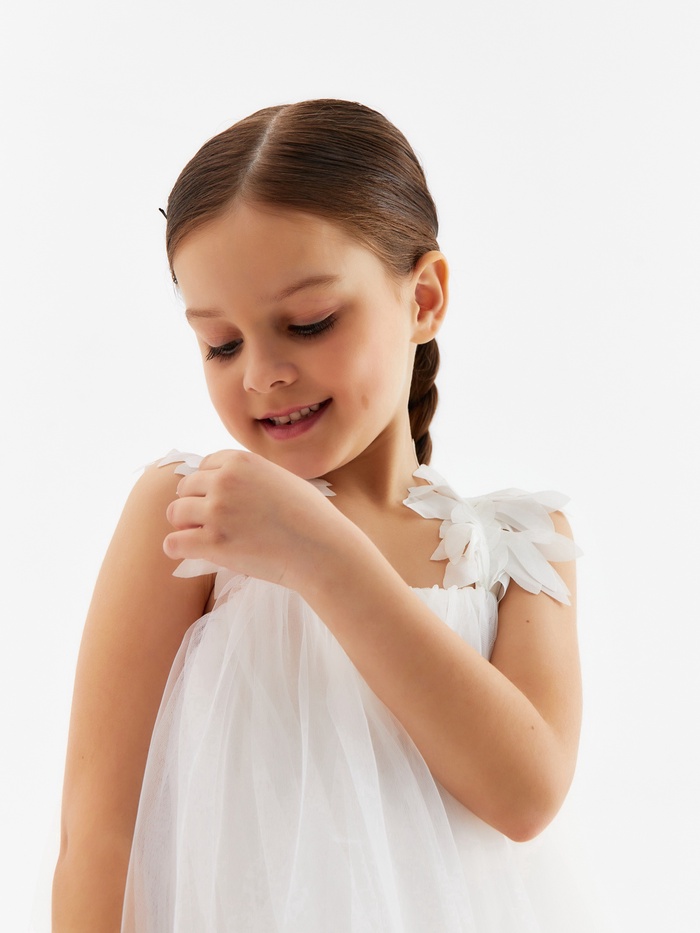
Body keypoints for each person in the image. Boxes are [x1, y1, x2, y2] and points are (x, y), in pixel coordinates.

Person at [52, 99, 583, 932]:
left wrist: (320, 554)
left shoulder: (516, 546)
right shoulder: (188, 509)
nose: (261, 374)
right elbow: (99, 835)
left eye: (309, 323)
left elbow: (524, 794)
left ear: (424, 298)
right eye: (221, 343)